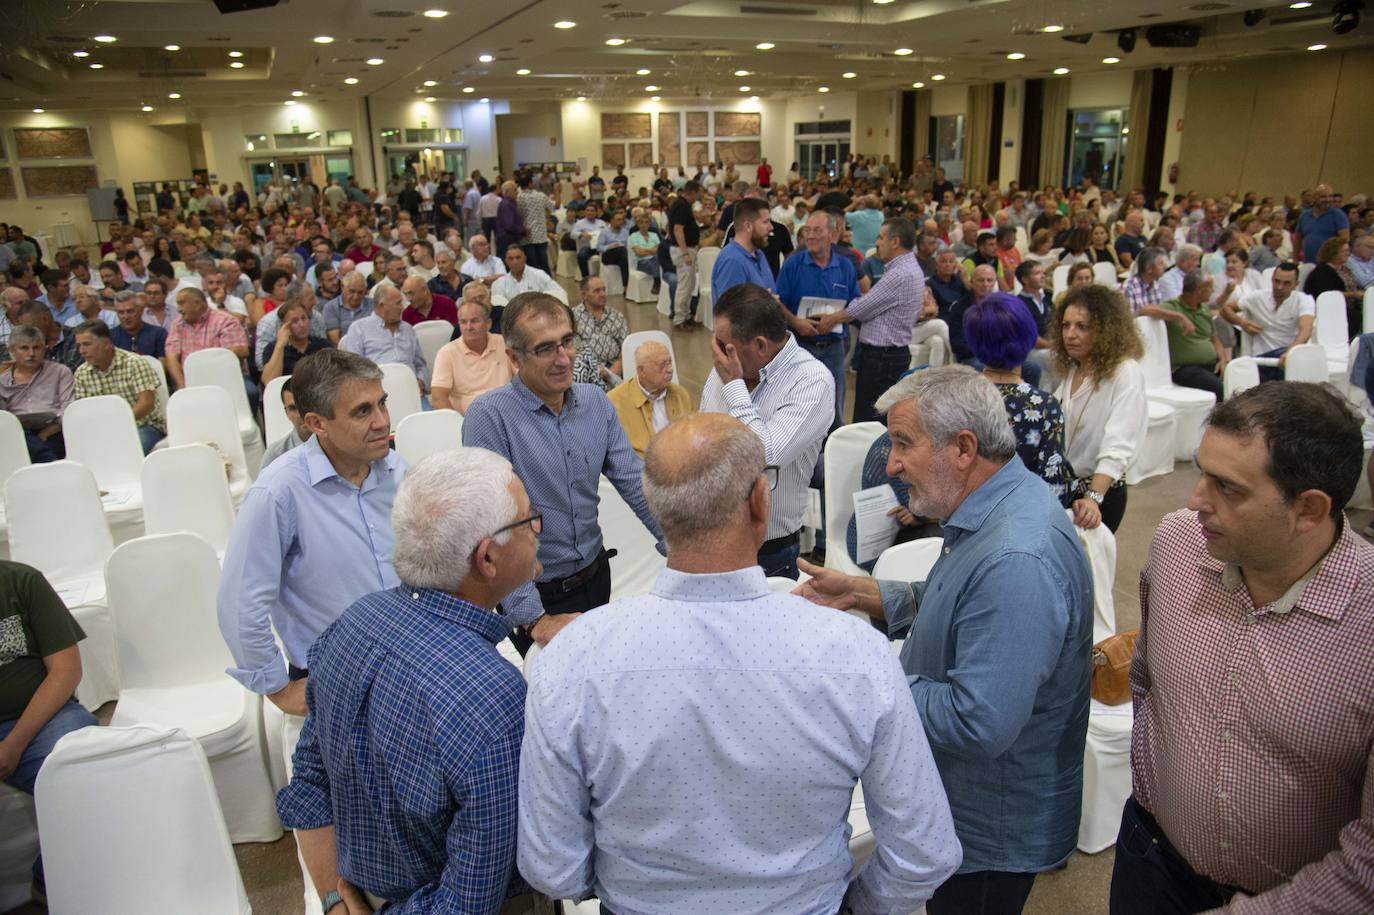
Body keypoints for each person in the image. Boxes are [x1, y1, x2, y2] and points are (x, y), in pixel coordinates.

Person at [519, 413, 962, 913]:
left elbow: (551, 867)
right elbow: (925, 852)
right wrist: (853, 905)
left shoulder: (573, 661)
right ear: (759, 501)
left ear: (656, 508)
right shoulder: (856, 655)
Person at [795, 366, 1093, 915]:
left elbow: (978, 720)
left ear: (963, 448)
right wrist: (860, 592)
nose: (891, 464)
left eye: (903, 443)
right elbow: (957, 603)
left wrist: (863, 682)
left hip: (988, 832)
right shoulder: (997, 507)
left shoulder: (1015, 559)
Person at [1110, 381, 1374, 915]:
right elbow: (1147, 683)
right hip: (1150, 857)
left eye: (1227, 488)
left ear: (1309, 509)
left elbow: (1367, 863)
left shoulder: (1364, 623)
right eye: (1201, 471)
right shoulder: (1177, 543)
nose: (1194, 501)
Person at [277, 448, 549, 915]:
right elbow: (466, 903)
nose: (539, 530)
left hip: (357, 897)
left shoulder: (351, 625)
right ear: (487, 557)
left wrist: (333, 903)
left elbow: (309, 785)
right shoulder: (492, 700)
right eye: (529, 520)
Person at [462, 292, 664, 651]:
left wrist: (683, 549)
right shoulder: (490, 417)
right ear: (514, 357)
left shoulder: (595, 403)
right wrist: (533, 618)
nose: (563, 358)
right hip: (535, 596)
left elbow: (636, 483)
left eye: (567, 341)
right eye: (545, 348)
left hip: (596, 577)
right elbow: (492, 524)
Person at [700, 283, 833, 578]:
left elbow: (765, 454)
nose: (716, 352)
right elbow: (702, 435)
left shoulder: (812, 382)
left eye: (723, 344)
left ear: (760, 346)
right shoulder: (728, 365)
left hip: (770, 553)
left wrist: (734, 386)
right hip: (712, 537)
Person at [0, 560, 97, 889]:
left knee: (89, 766)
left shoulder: (21, 581)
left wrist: (14, 743)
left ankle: (52, 880)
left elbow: (66, 670)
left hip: (41, 719)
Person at [1052, 284, 1148, 533]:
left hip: (1099, 493)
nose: (1070, 334)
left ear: (1106, 330)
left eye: (1082, 327)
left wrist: (1094, 497)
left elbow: (1119, 444)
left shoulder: (1125, 372)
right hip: (1066, 488)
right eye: (1066, 325)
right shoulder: (1075, 367)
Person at [963, 294, 1075, 507]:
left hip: (965, 516)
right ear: (1028, 336)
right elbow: (1053, 486)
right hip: (1022, 516)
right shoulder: (1044, 406)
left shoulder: (955, 398)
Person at [814, 217, 924, 424]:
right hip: (889, 355)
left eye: (881, 237)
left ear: (895, 241)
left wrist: (831, 319)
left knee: (868, 421)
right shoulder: (909, 268)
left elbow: (863, 308)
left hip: (883, 358)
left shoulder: (900, 274)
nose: (877, 242)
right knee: (878, 419)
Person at [775, 209, 861, 429]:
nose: (810, 236)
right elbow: (777, 302)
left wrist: (835, 318)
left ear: (833, 234)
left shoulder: (845, 266)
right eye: (807, 230)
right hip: (800, 347)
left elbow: (856, 305)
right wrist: (796, 322)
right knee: (799, 409)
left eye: (817, 231)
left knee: (836, 411)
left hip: (834, 349)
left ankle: (832, 447)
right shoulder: (793, 264)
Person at [71, 320, 165, 454]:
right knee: (84, 454)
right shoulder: (81, 373)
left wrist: (117, 423)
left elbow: (147, 403)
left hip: (144, 425)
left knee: (129, 452)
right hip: (103, 432)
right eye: (79, 346)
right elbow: (86, 412)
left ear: (106, 344)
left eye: (86, 344)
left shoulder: (134, 363)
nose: (81, 351)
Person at [1220, 262, 1314, 382]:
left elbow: (1306, 329)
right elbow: (1225, 309)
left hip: (1288, 356)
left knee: (1297, 361)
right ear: (1272, 279)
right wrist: (1242, 322)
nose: (1279, 287)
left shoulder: (1304, 300)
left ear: (1296, 284)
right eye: (1276, 281)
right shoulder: (1258, 297)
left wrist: (1290, 352)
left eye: (1286, 283)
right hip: (1262, 358)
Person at [606, 340, 692, 456]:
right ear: (642, 371)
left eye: (670, 362)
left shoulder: (681, 395)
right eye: (662, 365)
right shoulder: (615, 402)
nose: (670, 369)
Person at [0, 325, 73, 462]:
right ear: (11, 350)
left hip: (55, 430)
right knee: (18, 438)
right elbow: (3, 419)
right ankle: (50, 463)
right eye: (24, 348)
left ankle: (46, 461)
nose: (31, 353)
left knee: (37, 450)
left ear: (45, 349)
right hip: (20, 433)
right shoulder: (2, 381)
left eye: (37, 348)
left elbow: (68, 409)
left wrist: (48, 431)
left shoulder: (60, 372)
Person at [342, 285, 429, 396]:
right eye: (398, 303)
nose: (402, 308)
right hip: (378, 394)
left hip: (411, 391)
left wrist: (421, 382)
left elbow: (420, 365)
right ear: (382, 305)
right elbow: (354, 370)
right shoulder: (359, 329)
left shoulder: (408, 329)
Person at [431, 299, 512, 414]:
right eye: (463, 322)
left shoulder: (504, 344)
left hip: (507, 414)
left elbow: (525, 381)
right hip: (467, 419)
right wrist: (457, 422)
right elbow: (438, 398)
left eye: (474, 321)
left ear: (488, 324)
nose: (469, 327)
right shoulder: (446, 353)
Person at [163, 287, 249, 392]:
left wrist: (207, 371)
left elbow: (240, 350)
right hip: (190, 380)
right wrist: (183, 386)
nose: (178, 309)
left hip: (226, 378)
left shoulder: (225, 320)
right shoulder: (177, 324)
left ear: (197, 303)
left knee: (250, 392)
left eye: (181, 303)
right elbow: (171, 357)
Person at [1160, 270, 1225, 400]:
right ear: (1199, 290)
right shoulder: (1174, 306)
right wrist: (1179, 316)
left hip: (1211, 366)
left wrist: (1222, 360)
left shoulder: (1204, 309)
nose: (1212, 291)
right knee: (1219, 389)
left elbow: (1215, 339)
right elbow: (1144, 310)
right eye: (1210, 287)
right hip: (1185, 369)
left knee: (1239, 384)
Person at [711, 197, 776, 304]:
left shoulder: (759, 254)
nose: (771, 227)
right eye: (766, 222)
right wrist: (765, 303)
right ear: (748, 226)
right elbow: (729, 310)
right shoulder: (732, 261)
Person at [571, 276, 626, 391]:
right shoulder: (573, 317)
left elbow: (625, 345)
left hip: (614, 367)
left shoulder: (617, 316)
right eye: (597, 291)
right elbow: (574, 349)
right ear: (584, 294)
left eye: (604, 290)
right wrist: (595, 368)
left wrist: (618, 366)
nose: (602, 294)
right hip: (587, 369)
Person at [261, 300, 330, 384]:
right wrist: (280, 345)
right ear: (284, 326)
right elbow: (269, 381)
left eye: (304, 318)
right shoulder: (273, 349)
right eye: (295, 321)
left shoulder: (322, 345)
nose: (302, 324)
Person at [667, 181, 702, 327]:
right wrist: (685, 253)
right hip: (684, 251)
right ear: (693, 192)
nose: (698, 196)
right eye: (698, 193)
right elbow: (677, 229)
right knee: (684, 285)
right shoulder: (681, 205)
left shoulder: (683, 204)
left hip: (687, 249)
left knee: (690, 284)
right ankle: (679, 319)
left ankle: (686, 315)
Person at [261, 377, 310, 469]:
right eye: (293, 408)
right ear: (286, 412)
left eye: (305, 405)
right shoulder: (275, 454)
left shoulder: (337, 443)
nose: (300, 414)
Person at [1295, 183, 1349, 263]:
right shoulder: (1304, 215)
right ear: (1314, 198)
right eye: (1323, 197)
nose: (1327, 199)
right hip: (1308, 262)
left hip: (1330, 263)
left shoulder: (1339, 215)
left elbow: (1344, 241)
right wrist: (1295, 258)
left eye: (1330, 196)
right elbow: (1298, 239)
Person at [490, 245, 563, 303]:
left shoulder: (539, 275)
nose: (515, 262)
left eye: (518, 258)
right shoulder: (499, 283)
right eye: (511, 258)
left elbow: (560, 294)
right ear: (506, 261)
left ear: (525, 259)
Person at [323, 271, 370, 345]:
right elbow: (335, 341)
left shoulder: (373, 305)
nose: (356, 297)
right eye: (351, 291)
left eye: (360, 292)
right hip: (343, 350)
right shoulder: (331, 307)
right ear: (342, 287)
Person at [627, 213, 661, 293]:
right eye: (641, 222)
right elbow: (639, 253)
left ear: (649, 224)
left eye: (646, 222)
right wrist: (652, 250)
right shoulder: (633, 236)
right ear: (638, 224)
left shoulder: (654, 235)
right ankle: (657, 281)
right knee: (655, 261)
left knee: (657, 258)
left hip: (655, 259)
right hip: (641, 262)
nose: (644, 225)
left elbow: (659, 250)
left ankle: (657, 281)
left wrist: (645, 250)